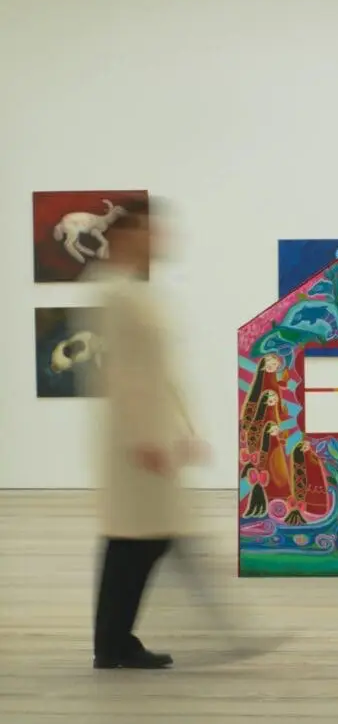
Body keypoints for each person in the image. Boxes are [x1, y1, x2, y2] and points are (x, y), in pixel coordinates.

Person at [87, 197, 205, 670]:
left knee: (142, 539)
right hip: (137, 444)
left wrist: (182, 429)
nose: (158, 239)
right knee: (136, 539)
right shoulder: (115, 293)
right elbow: (121, 375)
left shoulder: (137, 291)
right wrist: (144, 438)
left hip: (153, 438)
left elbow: (160, 374)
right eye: (148, 232)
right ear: (124, 238)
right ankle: (112, 643)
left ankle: (114, 641)